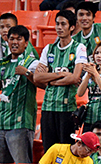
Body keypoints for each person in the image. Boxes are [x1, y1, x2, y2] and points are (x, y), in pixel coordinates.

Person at [0, 24, 40, 164]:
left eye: (19, 39)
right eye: (11, 39)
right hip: (1, 124)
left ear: (26, 43)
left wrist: (27, 73)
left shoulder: (32, 63)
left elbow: (42, 84)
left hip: (21, 124)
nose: (14, 42)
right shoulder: (4, 64)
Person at [35, 9, 88, 149]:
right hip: (48, 107)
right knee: (49, 150)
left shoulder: (79, 48)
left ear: (72, 27)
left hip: (67, 108)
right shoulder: (49, 48)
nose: (59, 27)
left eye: (63, 24)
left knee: (67, 150)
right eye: (57, 24)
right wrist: (60, 75)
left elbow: (75, 77)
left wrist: (49, 80)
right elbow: (37, 77)